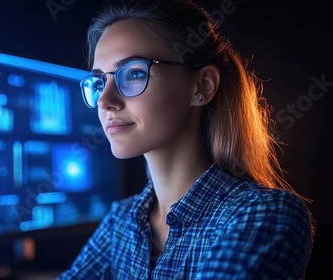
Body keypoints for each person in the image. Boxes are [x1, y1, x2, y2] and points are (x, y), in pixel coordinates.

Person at [57, 0, 315, 279]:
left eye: (133, 73)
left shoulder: (264, 215)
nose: (105, 101)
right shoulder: (121, 220)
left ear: (201, 86)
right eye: (99, 82)